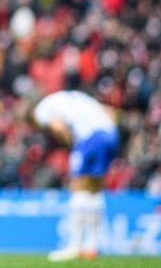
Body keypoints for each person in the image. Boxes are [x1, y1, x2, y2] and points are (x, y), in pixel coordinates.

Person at [32, 90, 119, 262]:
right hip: (110, 134)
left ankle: (74, 246)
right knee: (94, 190)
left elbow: (59, 127)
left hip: (90, 138)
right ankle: (92, 246)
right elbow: (111, 112)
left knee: (78, 187)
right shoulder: (78, 97)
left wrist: (73, 145)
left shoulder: (42, 110)